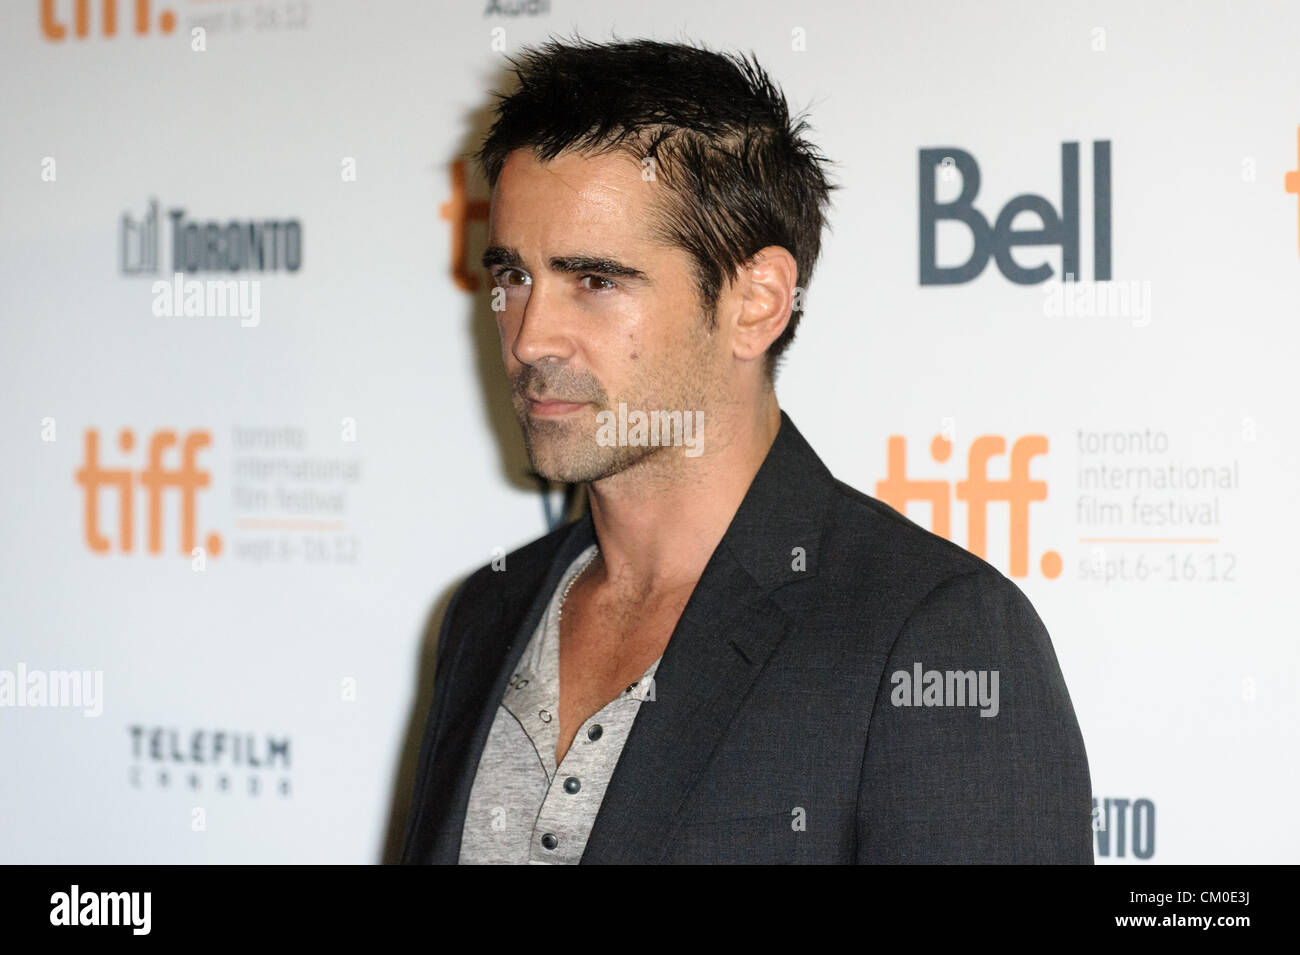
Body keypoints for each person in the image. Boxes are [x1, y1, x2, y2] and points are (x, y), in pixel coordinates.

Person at [402, 35, 1092, 864]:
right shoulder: (487, 613)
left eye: (595, 280)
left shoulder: (932, 638)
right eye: (513, 275)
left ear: (756, 301)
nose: (529, 334)